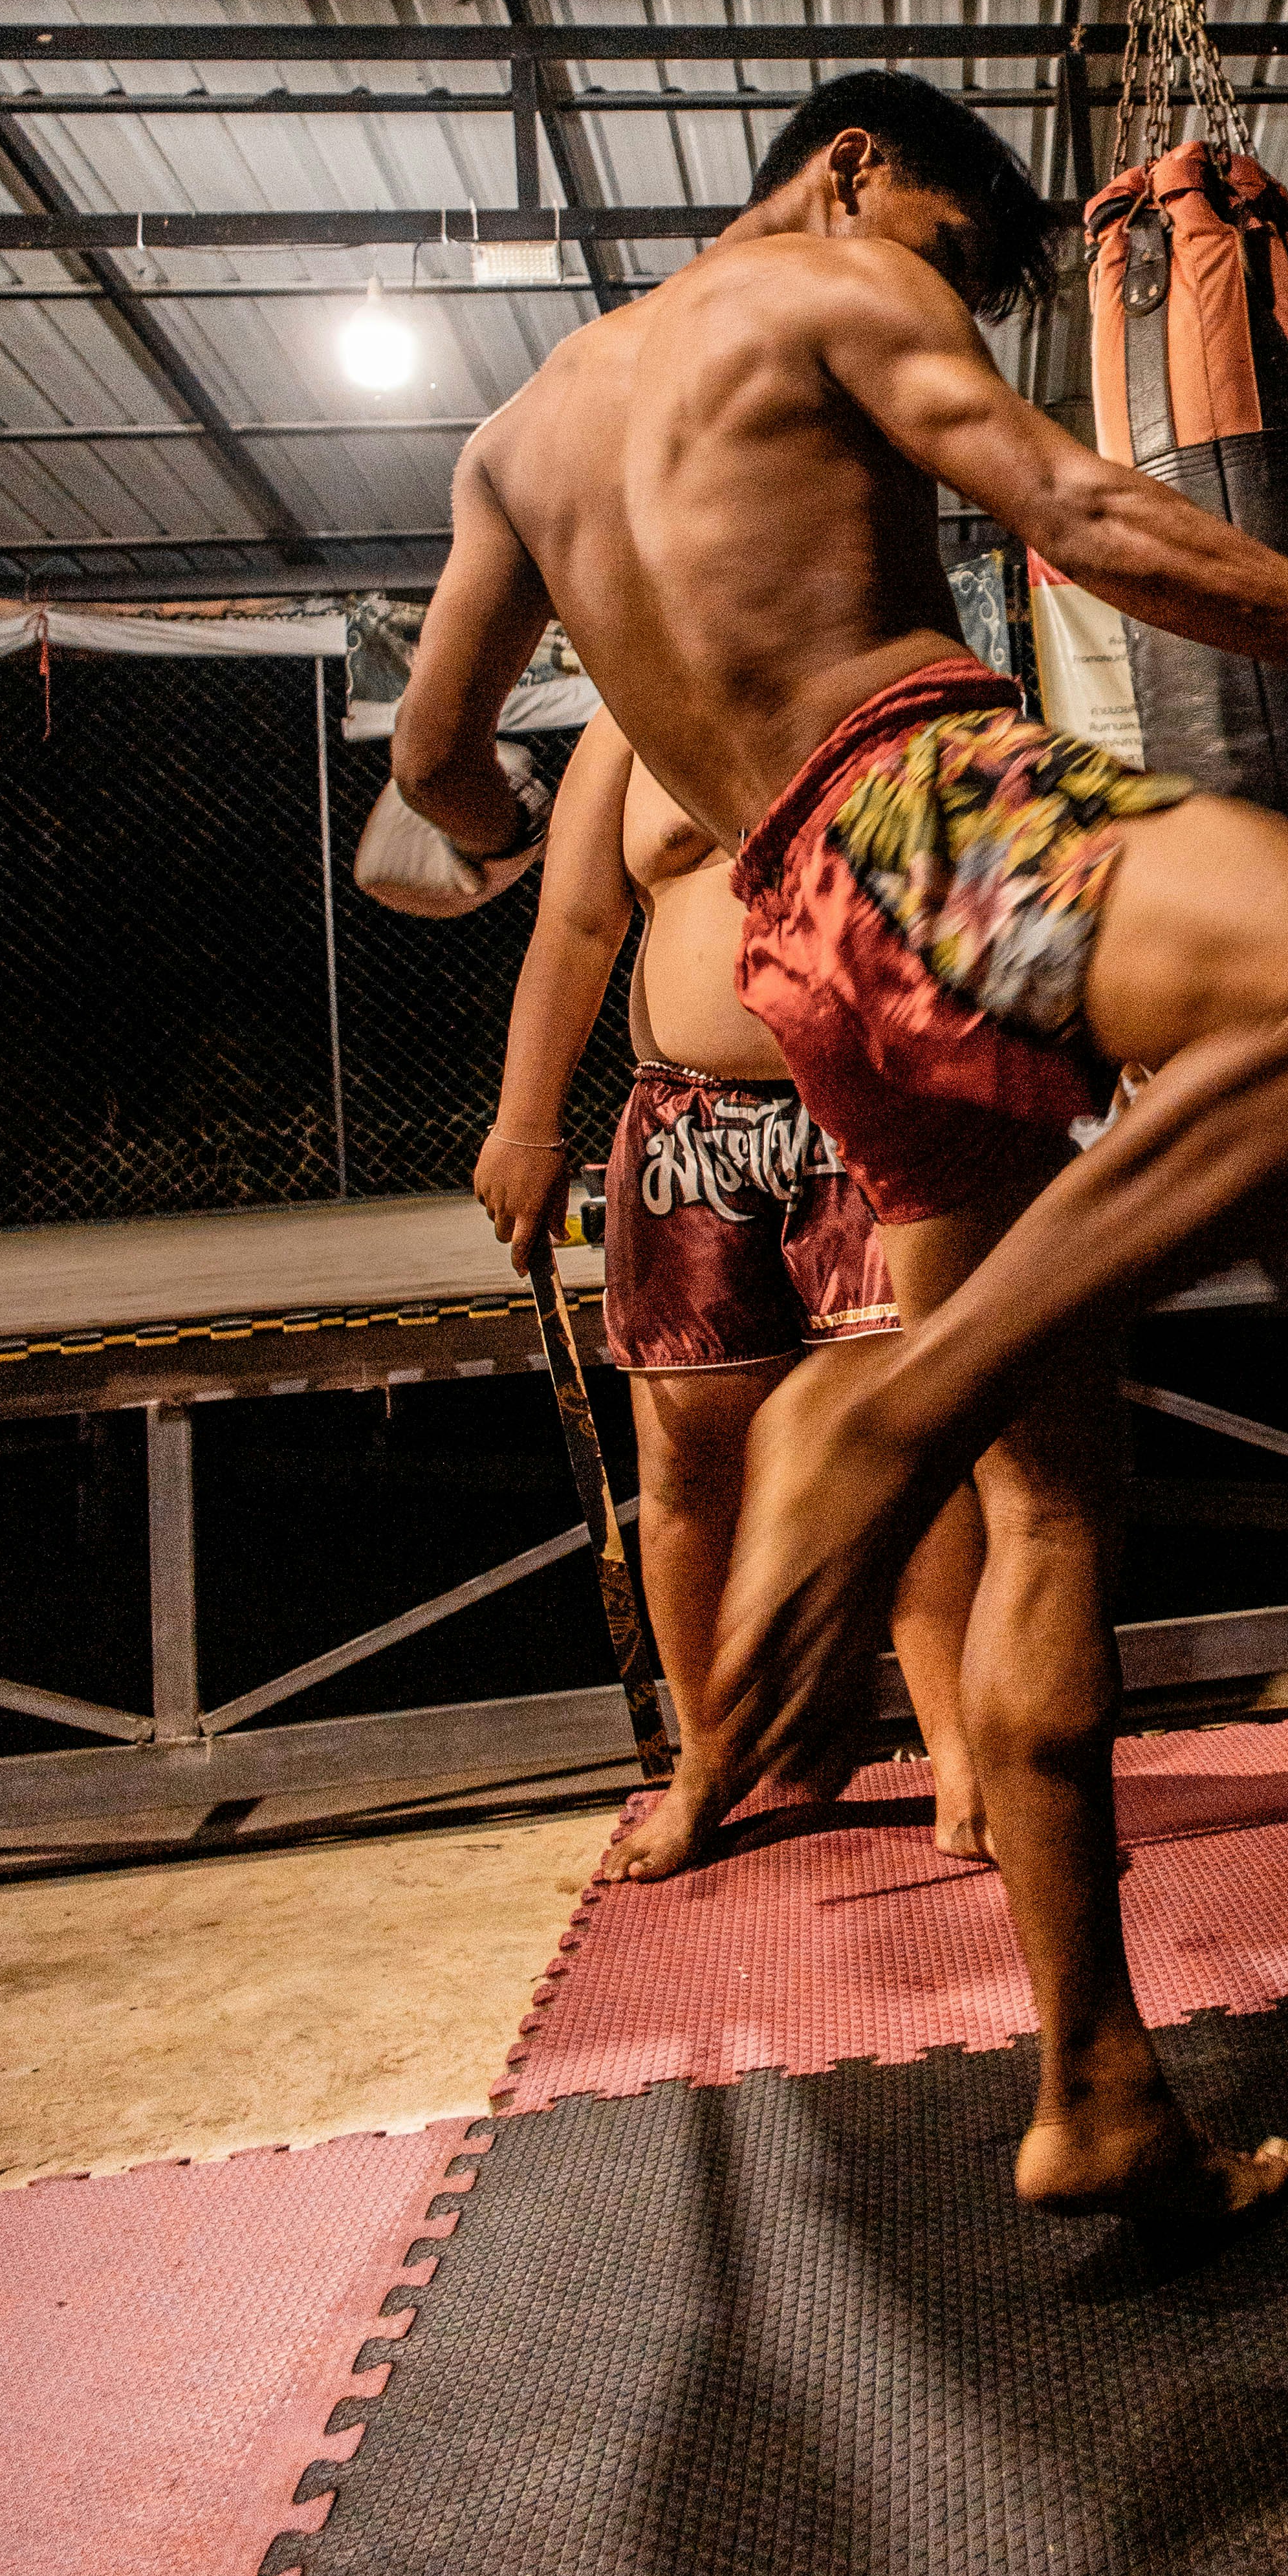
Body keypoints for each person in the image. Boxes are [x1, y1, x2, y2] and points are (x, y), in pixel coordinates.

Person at [395, 70, 1288, 2225]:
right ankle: (888, 1402)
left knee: (1048, 1492)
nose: (940, 294)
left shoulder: (513, 439)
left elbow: (446, 764)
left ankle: (1095, 2081)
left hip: (808, 941)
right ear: (848, 169)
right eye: (940, 247)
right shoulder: (821, 277)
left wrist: (465, 837)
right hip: (923, 811)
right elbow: (1072, 511)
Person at [460, 703, 990, 1877]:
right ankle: (708, 1763)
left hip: (869, 1102)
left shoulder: (860, 681)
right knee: (687, 1452)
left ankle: (961, 1753)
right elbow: (578, 925)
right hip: (684, 1118)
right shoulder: (619, 728)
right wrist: (525, 1123)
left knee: (909, 1436)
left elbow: (973, 893)